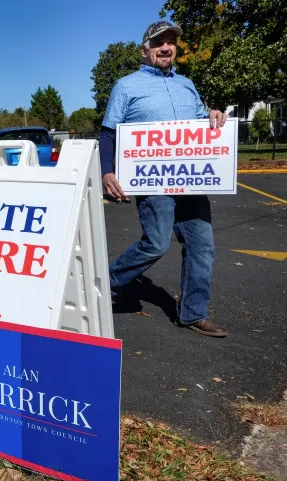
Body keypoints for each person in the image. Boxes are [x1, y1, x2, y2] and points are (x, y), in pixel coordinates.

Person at [100, 21, 229, 338]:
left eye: (171, 42)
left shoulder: (187, 85)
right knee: (155, 243)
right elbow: (108, 133)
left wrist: (212, 115)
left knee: (202, 246)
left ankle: (193, 313)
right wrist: (107, 171)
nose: (166, 47)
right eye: (159, 42)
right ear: (145, 50)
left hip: (191, 180)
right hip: (152, 181)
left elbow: (200, 125)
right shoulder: (126, 86)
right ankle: (101, 284)